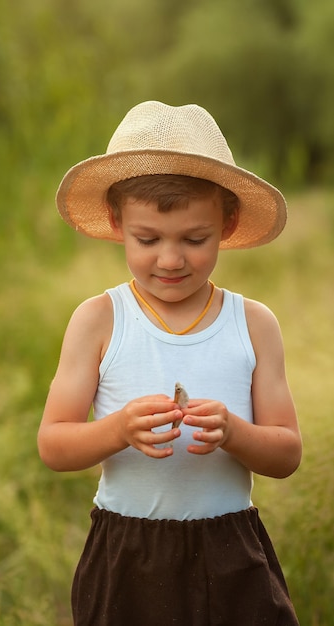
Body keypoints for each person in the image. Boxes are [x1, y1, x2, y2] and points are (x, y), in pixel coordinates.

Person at [37, 101, 302, 625]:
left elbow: (287, 453)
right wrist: (117, 429)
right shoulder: (99, 320)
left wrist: (233, 432)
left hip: (230, 544)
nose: (171, 259)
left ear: (227, 224)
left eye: (195, 239)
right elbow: (54, 444)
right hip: (128, 547)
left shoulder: (252, 324)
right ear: (117, 223)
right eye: (148, 239)